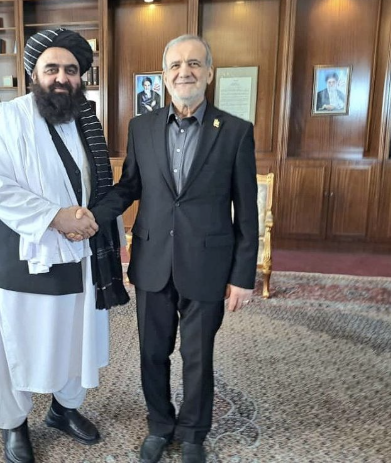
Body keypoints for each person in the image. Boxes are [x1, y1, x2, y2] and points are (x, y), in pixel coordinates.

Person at [90, 35, 259, 463]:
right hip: (152, 261)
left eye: (194, 64)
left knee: (198, 357)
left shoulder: (236, 132)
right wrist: (91, 216)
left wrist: (243, 276)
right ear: (164, 76)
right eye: (176, 65)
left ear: (209, 73)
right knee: (152, 352)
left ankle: (194, 434)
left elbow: (247, 210)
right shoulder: (141, 127)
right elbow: (129, 186)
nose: (185, 71)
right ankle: (160, 425)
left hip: (208, 264)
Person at [0, 28, 129, 463]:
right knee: (17, 343)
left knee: (75, 337)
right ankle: (13, 423)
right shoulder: (7, 119)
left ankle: (63, 409)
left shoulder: (86, 123)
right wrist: (55, 217)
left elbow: (96, 185)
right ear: (34, 74)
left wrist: (87, 221)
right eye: (52, 68)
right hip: (24, 254)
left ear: (81, 77)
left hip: (80, 251)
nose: (62, 77)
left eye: (71, 69)